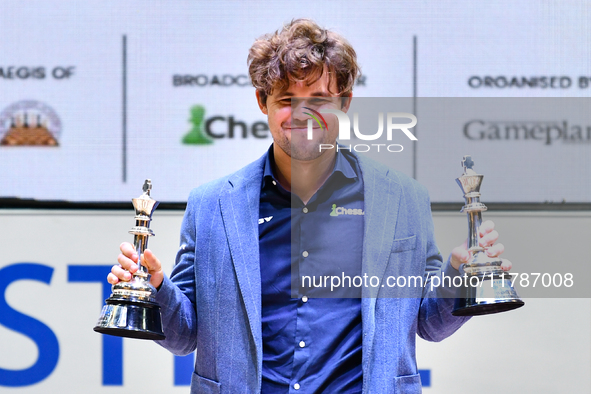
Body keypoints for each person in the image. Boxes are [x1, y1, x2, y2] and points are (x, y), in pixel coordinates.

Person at [108, 19, 510, 394]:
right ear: (262, 102)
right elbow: (184, 336)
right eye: (286, 99)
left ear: (344, 102)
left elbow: (428, 323)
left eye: (319, 99)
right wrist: (157, 287)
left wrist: (461, 275)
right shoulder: (212, 205)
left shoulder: (403, 199)